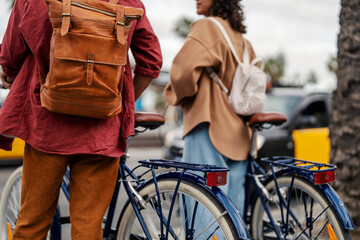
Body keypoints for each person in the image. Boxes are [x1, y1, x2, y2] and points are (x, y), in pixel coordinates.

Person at [0, 0, 162, 238]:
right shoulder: (129, 3)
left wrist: (10, 74)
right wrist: (117, 102)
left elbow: (10, 55)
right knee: (88, 227)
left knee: (32, 224)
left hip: (47, 127)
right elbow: (151, 62)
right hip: (101, 133)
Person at [164, 0, 256, 216]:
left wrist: (176, 95)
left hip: (210, 125)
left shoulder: (206, 28)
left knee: (203, 211)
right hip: (240, 134)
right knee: (232, 216)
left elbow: (183, 73)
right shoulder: (242, 39)